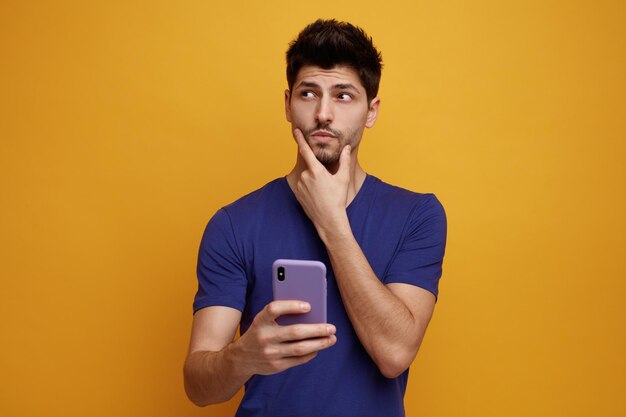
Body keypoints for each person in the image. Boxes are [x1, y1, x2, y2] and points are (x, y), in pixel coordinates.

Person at [183, 19, 447, 417]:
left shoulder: (418, 215)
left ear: (371, 111)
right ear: (288, 104)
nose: (324, 114)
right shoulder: (233, 224)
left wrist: (331, 222)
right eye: (309, 93)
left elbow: (394, 353)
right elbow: (198, 387)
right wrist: (243, 357)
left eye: (343, 96)